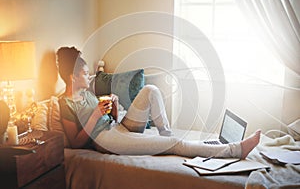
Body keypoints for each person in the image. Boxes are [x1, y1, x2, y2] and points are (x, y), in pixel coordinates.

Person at [57, 46, 261, 158]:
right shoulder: (65, 103)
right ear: (72, 77)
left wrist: (113, 107)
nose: (88, 76)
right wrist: (95, 115)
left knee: (151, 90)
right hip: (104, 140)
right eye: (84, 74)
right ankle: (236, 150)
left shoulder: (87, 94)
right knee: (175, 144)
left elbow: (112, 119)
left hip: (117, 128)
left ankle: (165, 135)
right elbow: (75, 143)